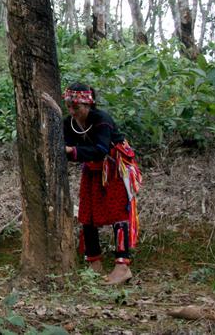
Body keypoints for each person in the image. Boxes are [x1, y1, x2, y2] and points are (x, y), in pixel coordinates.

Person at [63, 83, 142, 285]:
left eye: (77, 107)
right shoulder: (69, 123)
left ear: (89, 105)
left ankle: (122, 266)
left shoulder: (101, 120)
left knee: (118, 214)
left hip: (114, 167)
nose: (72, 111)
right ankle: (94, 264)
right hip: (92, 168)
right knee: (87, 214)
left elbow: (101, 149)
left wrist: (73, 152)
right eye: (69, 106)